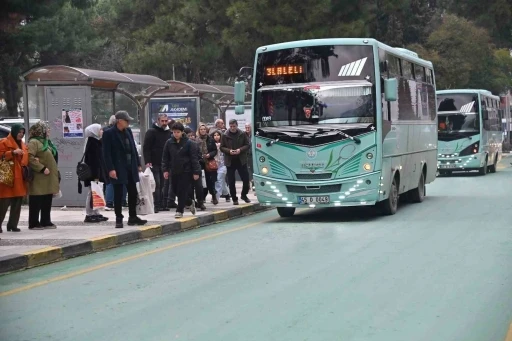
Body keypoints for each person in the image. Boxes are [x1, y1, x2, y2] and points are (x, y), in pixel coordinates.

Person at [102, 111, 147, 228]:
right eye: (126, 120)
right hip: (118, 168)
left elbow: (133, 148)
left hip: (130, 167)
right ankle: (118, 218)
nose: (128, 123)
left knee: (133, 192)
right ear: (119, 121)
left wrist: (137, 163)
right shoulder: (109, 133)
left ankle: (133, 216)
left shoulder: (128, 131)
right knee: (118, 194)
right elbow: (106, 154)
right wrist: (111, 169)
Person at [162, 122, 201, 218]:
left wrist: (196, 172)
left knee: (182, 190)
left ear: (182, 132)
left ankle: (179, 210)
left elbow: (194, 158)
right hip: (174, 170)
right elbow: (165, 157)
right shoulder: (169, 143)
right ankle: (189, 201)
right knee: (175, 190)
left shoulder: (189, 143)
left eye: (178, 132)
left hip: (186, 170)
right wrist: (165, 170)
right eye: (174, 132)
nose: (176, 134)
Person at [27, 122, 60, 229]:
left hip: (48, 177)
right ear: (40, 131)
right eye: (47, 129)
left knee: (47, 199)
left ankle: (46, 221)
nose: (49, 131)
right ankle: (33, 223)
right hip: (39, 177)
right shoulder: (33, 142)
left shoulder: (47, 142)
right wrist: (41, 168)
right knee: (36, 200)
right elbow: (29, 157)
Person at [0, 124, 28, 233]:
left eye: (22, 132)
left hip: (19, 177)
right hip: (7, 178)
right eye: (19, 132)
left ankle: (13, 225)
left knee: (17, 202)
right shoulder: (4, 142)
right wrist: (12, 152)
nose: (21, 134)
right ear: (14, 131)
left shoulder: (23, 144)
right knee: (3, 203)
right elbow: (1, 155)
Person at [143, 113, 171, 213]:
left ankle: (163, 204)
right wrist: (148, 161)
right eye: (162, 121)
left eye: (166, 121)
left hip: (165, 163)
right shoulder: (151, 131)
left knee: (164, 184)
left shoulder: (168, 132)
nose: (164, 123)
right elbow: (146, 147)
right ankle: (157, 205)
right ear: (158, 121)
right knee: (157, 184)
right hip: (154, 163)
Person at [81, 124, 109, 223]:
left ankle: (96, 212)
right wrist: (96, 175)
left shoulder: (96, 142)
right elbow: (94, 161)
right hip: (93, 173)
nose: (102, 131)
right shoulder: (92, 143)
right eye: (100, 130)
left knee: (97, 192)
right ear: (94, 131)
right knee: (92, 193)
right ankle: (89, 213)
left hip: (97, 172)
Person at [220, 119, 251, 205]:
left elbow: (248, 145)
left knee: (245, 179)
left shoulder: (242, 134)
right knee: (231, 181)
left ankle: (244, 195)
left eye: (234, 126)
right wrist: (229, 151)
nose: (232, 128)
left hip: (241, 160)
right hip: (230, 160)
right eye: (231, 126)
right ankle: (234, 198)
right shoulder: (225, 135)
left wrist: (240, 150)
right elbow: (222, 147)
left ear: (237, 125)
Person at [197, 124, 218, 205]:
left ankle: (213, 196)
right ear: (199, 131)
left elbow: (214, 150)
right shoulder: (196, 140)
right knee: (202, 181)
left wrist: (210, 154)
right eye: (201, 129)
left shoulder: (210, 139)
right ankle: (202, 197)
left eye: (204, 129)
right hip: (200, 163)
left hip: (209, 162)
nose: (203, 131)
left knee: (210, 181)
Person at [212, 130, 230, 202]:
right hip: (214, 164)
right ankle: (227, 194)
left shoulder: (224, 144)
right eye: (215, 135)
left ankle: (216, 197)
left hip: (223, 165)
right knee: (222, 182)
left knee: (218, 180)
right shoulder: (211, 144)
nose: (216, 137)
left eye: (218, 135)